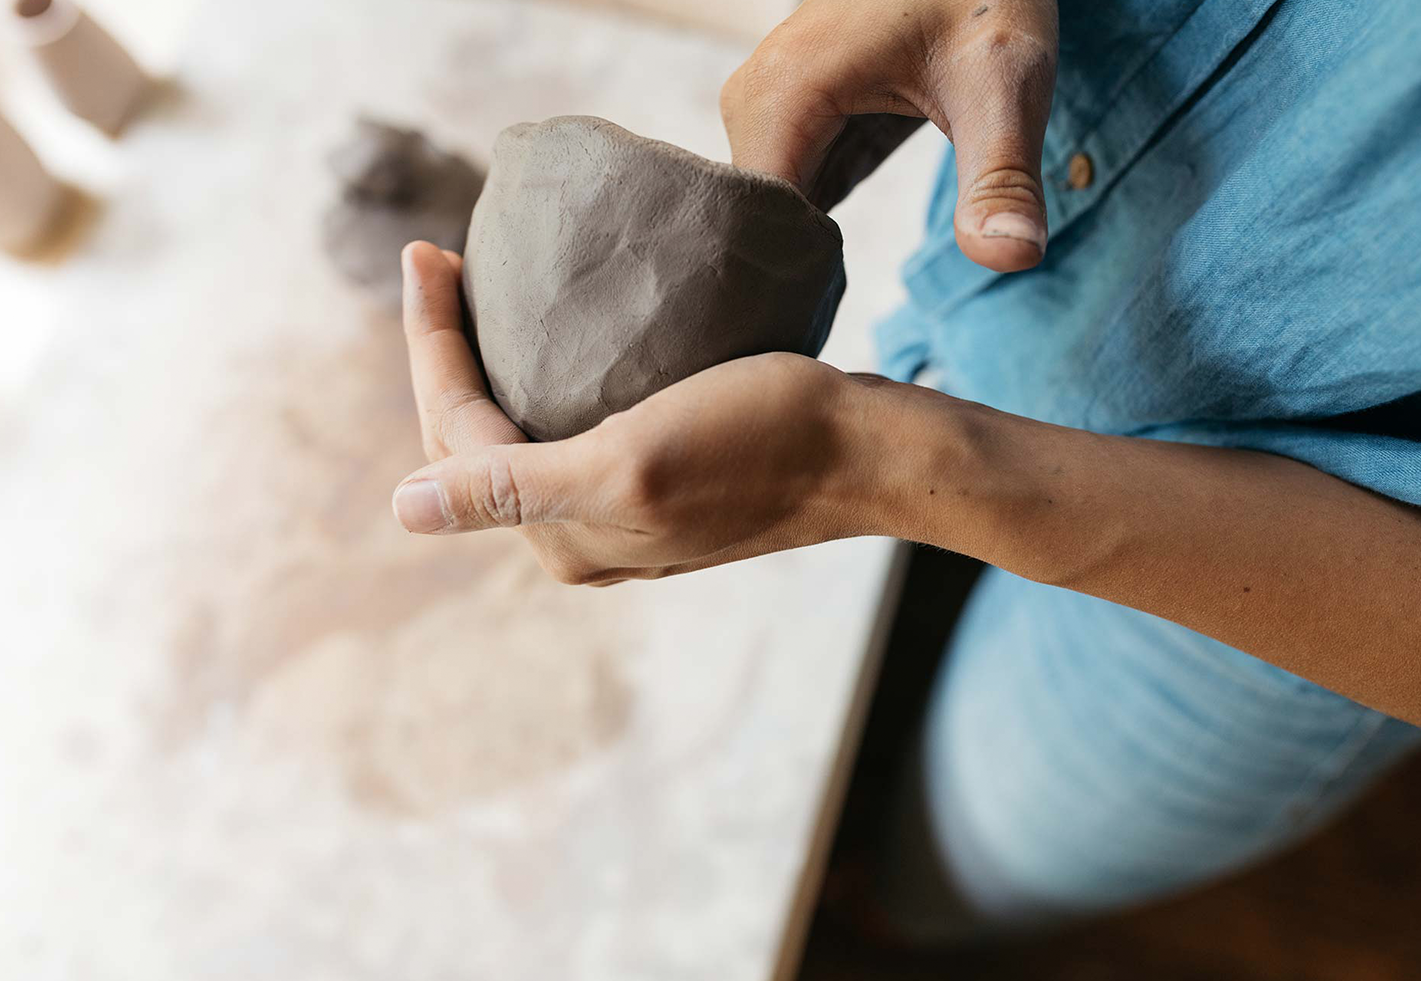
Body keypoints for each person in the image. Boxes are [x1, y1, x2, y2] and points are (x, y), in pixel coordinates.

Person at [391, 0, 1421, 941]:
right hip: (1064, 198)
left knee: (965, 851)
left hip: (1305, 559)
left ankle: (881, 915)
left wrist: (874, 468)